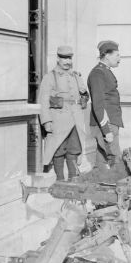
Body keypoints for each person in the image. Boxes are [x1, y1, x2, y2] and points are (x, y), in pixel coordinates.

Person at [38, 45, 89, 181]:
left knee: (74, 150)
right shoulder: (50, 77)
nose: (67, 62)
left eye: (69, 58)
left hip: (75, 120)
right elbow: (43, 101)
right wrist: (46, 121)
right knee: (58, 150)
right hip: (58, 120)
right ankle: (59, 179)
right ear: (58, 59)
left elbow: (83, 95)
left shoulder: (75, 76)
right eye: (64, 58)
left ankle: (73, 179)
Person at [87, 40, 123, 168]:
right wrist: (106, 131)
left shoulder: (105, 71)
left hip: (111, 123)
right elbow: (98, 104)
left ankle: (98, 185)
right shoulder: (98, 73)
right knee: (115, 160)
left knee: (101, 160)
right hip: (106, 124)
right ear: (107, 55)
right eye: (117, 55)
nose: (120, 58)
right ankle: (116, 186)